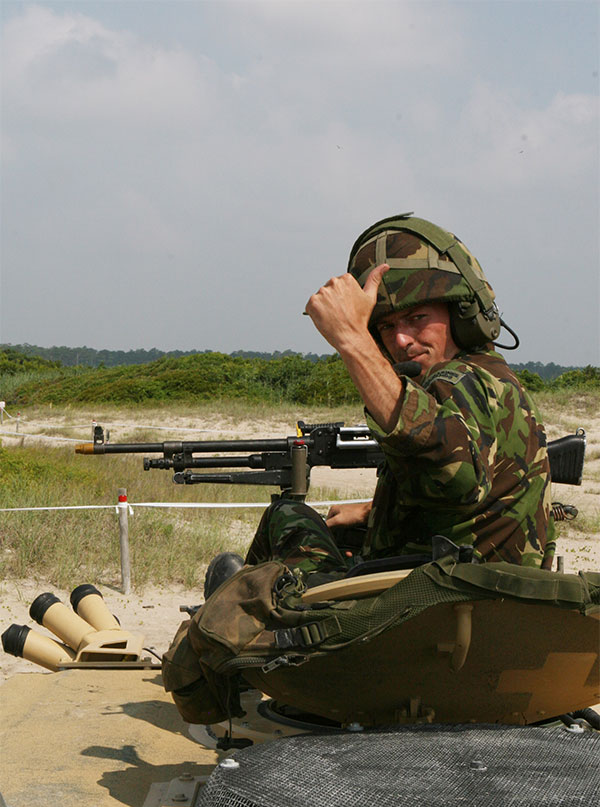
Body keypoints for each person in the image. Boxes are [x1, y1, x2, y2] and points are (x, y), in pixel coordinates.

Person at [209, 214, 556, 597]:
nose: (402, 340)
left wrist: (351, 340)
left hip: (420, 612)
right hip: (475, 597)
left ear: (460, 314)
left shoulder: (458, 380)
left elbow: (452, 473)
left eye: (417, 318)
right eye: (386, 327)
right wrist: (376, 511)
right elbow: (471, 503)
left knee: (286, 515)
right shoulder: (496, 380)